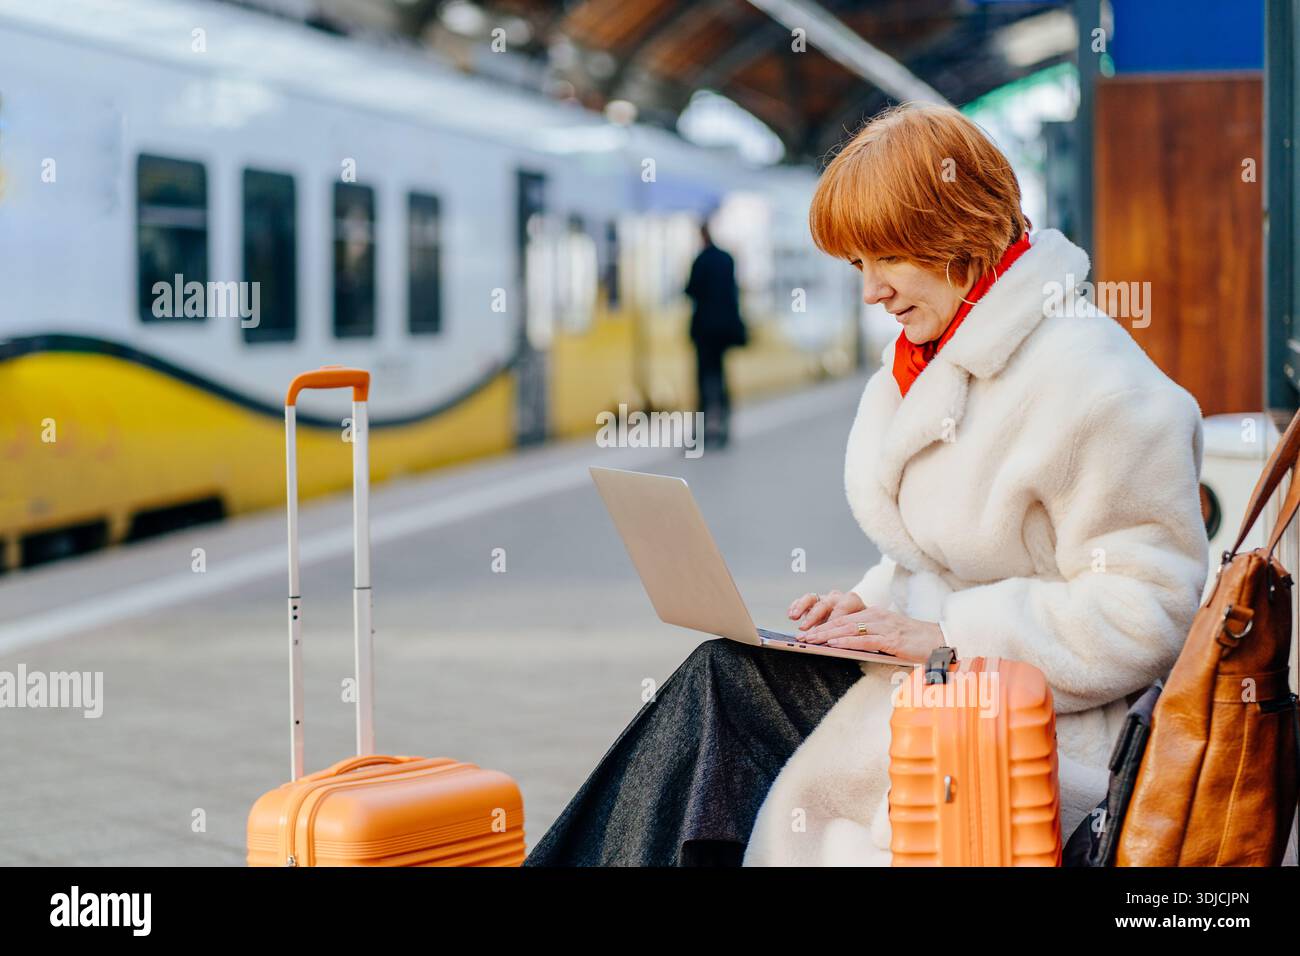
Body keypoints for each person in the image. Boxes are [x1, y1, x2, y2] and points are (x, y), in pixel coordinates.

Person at [525, 103, 1208, 866]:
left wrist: (951, 638)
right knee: (724, 676)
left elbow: (1153, 609)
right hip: (930, 687)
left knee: (723, 715)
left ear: (960, 230)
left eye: (887, 257)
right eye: (858, 265)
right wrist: (863, 611)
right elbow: (927, 561)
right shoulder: (929, 360)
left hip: (1026, 727)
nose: (871, 293)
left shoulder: (1094, 383)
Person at [683, 223, 746, 449]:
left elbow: (690, 290)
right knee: (721, 378)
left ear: (701, 235)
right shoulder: (727, 259)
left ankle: (699, 434)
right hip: (725, 331)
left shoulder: (701, 261)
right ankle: (724, 429)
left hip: (704, 332)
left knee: (703, 381)